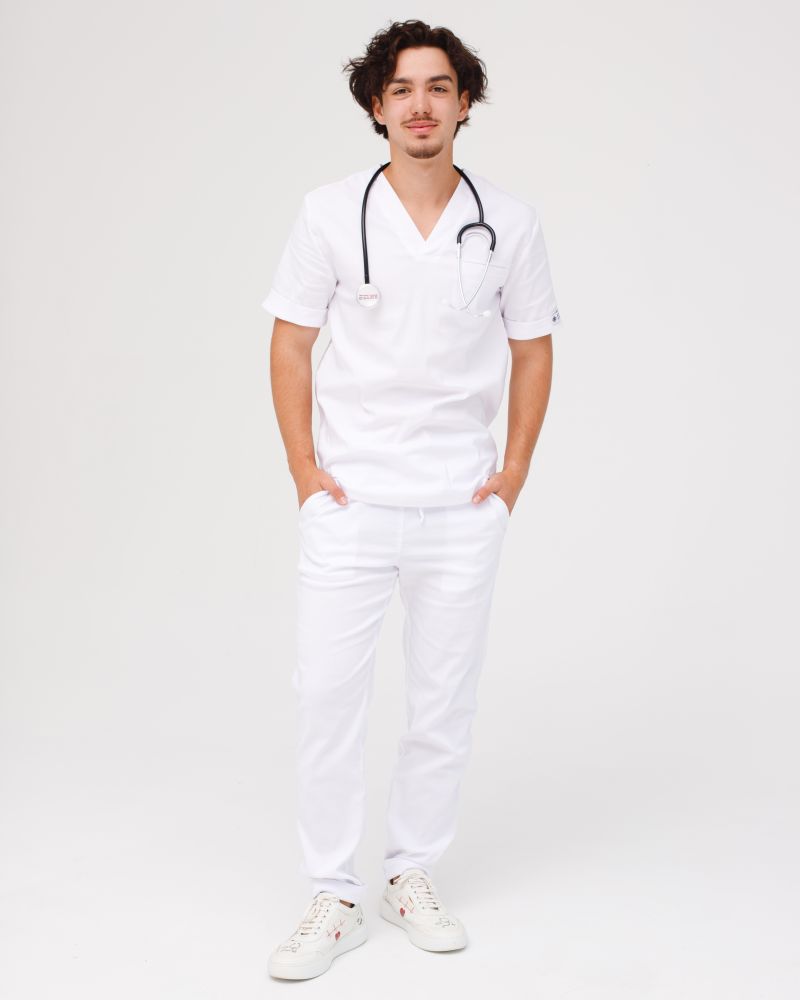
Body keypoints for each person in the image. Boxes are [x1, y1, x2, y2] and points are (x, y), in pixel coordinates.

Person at [263, 19, 563, 980]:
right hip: (352, 499)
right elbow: (291, 342)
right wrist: (306, 473)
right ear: (377, 106)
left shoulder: (508, 221)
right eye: (401, 89)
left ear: (465, 103)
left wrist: (511, 475)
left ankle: (409, 874)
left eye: (439, 87)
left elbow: (532, 348)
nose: (421, 105)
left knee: (443, 701)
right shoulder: (327, 213)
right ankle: (333, 893)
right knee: (327, 696)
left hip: (459, 503)